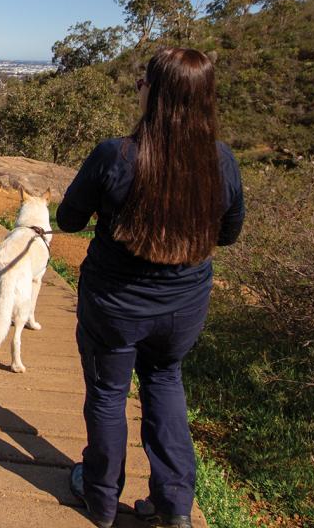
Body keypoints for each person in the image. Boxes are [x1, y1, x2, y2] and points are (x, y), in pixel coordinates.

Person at [56, 47, 245, 528]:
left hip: (115, 306)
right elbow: (227, 233)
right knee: (165, 383)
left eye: (143, 82)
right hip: (184, 305)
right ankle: (173, 505)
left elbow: (69, 220)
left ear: (155, 95)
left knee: (107, 394)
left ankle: (100, 501)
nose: (138, 87)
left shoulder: (115, 155)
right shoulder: (221, 161)